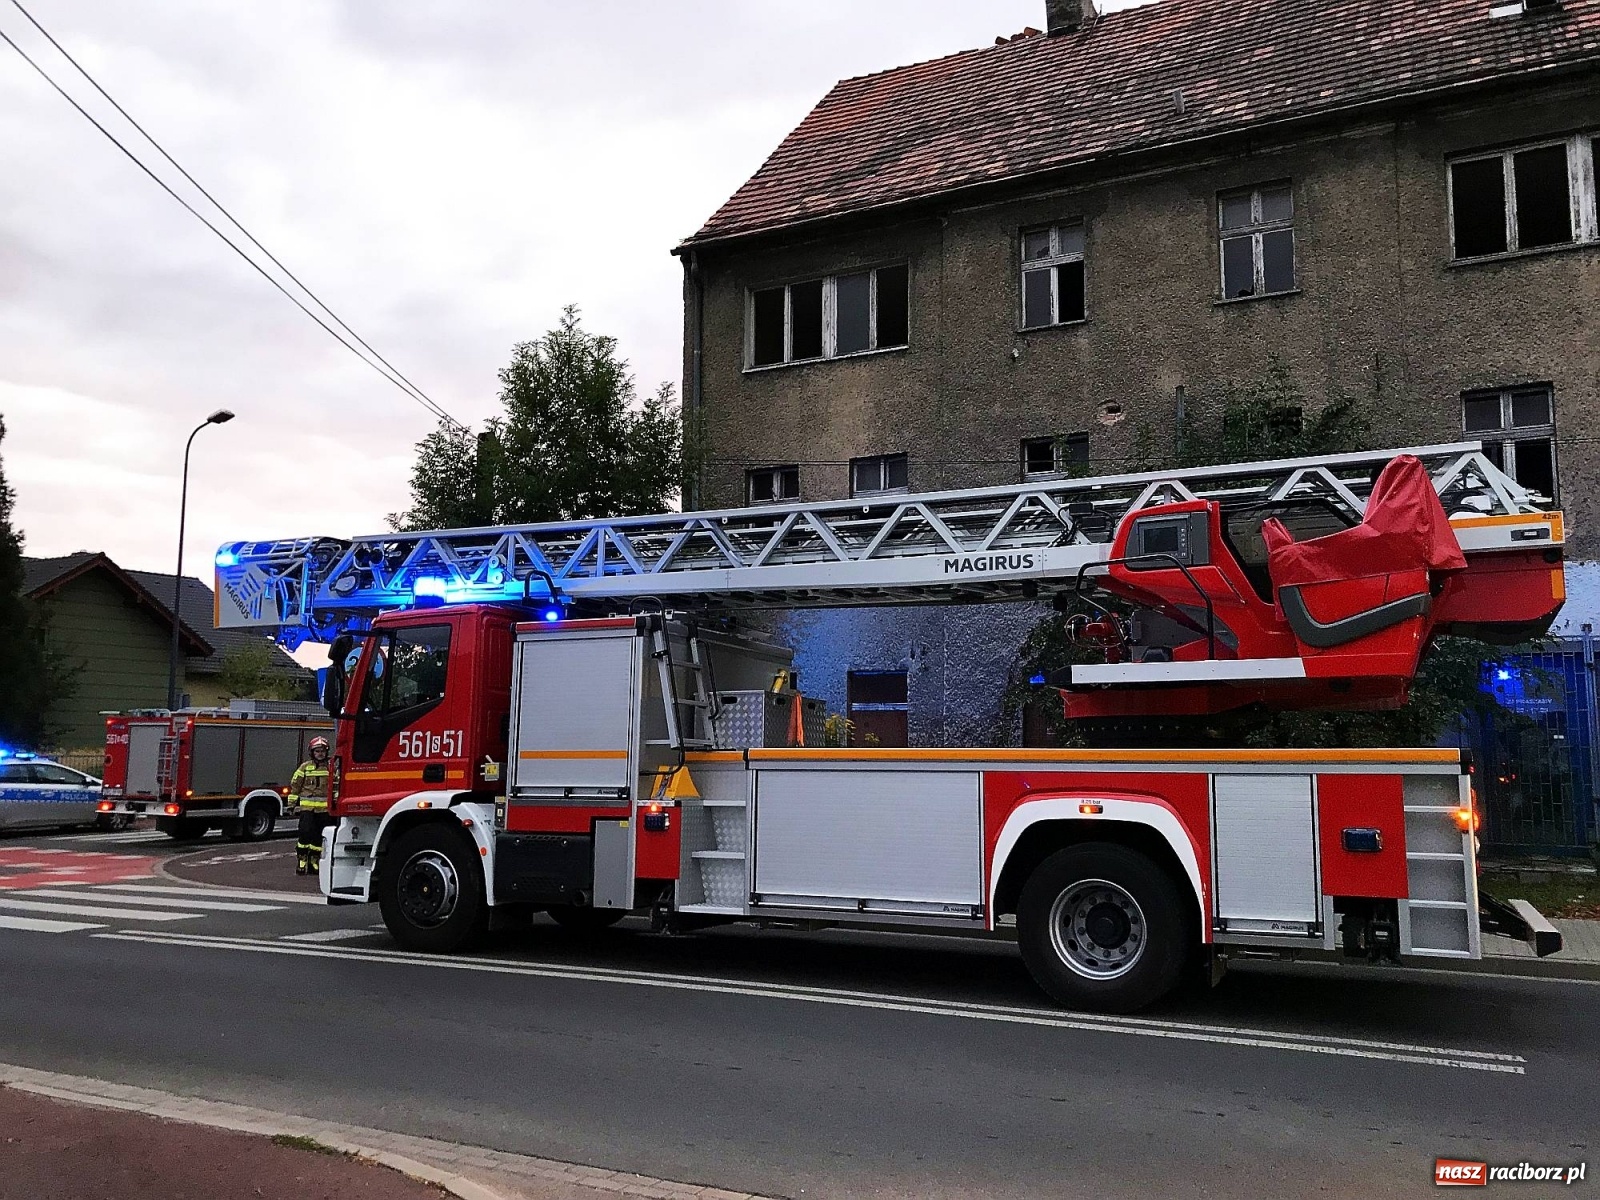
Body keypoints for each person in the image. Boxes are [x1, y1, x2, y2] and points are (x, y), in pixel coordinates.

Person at [289, 736, 332, 876]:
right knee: (305, 832)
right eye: (317, 751)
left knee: (318, 836)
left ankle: (314, 860)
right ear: (312, 752)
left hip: (324, 810)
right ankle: (302, 860)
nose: (320, 753)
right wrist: (291, 804)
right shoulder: (305, 767)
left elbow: (336, 787)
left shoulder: (331, 768)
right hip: (307, 808)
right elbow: (296, 785)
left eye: (322, 751)